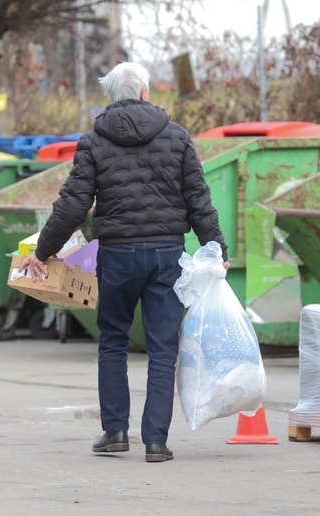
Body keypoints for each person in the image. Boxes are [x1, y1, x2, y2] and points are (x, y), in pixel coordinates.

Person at [19, 62, 229, 463]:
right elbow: (199, 200)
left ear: (111, 97)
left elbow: (73, 205)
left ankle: (115, 431)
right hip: (168, 255)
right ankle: (155, 441)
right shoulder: (177, 137)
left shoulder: (93, 141)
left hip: (116, 256)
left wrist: (42, 252)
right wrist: (215, 249)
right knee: (162, 347)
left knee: (113, 340)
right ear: (146, 93)